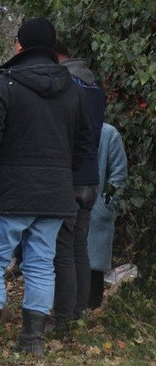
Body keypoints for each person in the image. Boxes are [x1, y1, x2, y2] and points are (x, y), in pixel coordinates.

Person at [0, 17, 90, 357]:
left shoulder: (7, 83)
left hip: (9, 191)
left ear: (21, 46)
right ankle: (32, 341)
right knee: (42, 264)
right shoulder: (73, 87)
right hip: (54, 192)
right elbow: (86, 144)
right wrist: (63, 176)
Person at [52, 40, 105, 329]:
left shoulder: (66, 84)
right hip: (90, 177)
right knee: (79, 247)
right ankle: (79, 311)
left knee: (63, 248)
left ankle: (63, 316)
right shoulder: (95, 88)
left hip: (69, 176)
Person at [86, 123, 128, 310]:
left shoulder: (109, 134)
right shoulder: (65, 125)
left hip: (97, 212)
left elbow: (118, 175)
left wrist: (106, 203)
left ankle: (90, 314)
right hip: (69, 208)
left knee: (94, 268)